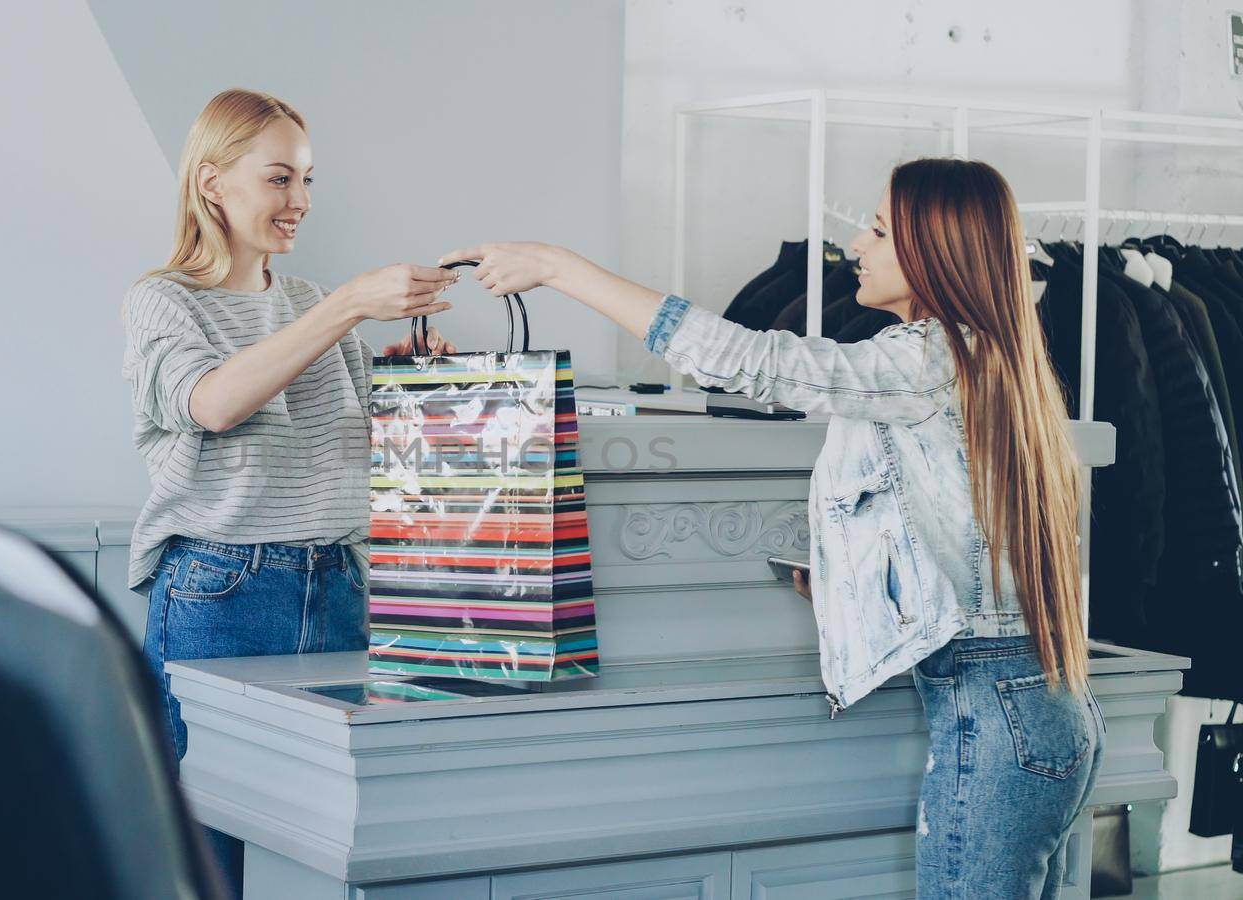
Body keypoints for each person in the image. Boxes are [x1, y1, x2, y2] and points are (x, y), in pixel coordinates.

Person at [442, 157, 1105, 899]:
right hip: (1038, 704)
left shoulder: (925, 358)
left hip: (995, 714)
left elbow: (749, 361)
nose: (857, 244)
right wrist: (853, 581)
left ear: (934, 250)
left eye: (880, 230)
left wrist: (558, 268)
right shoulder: (987, 356)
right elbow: (959, 522)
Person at [121, 88, 456, 898]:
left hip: (339, 584)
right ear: (212, 183)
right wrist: (347, 307)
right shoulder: (163, 301)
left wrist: (417, 383)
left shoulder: (308, 305)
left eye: (306, 180)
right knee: (202, 861)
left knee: (316, 851)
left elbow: (371, 450)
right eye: (279, 179)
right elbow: (214, 402)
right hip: (221, 594)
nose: (299, 202)